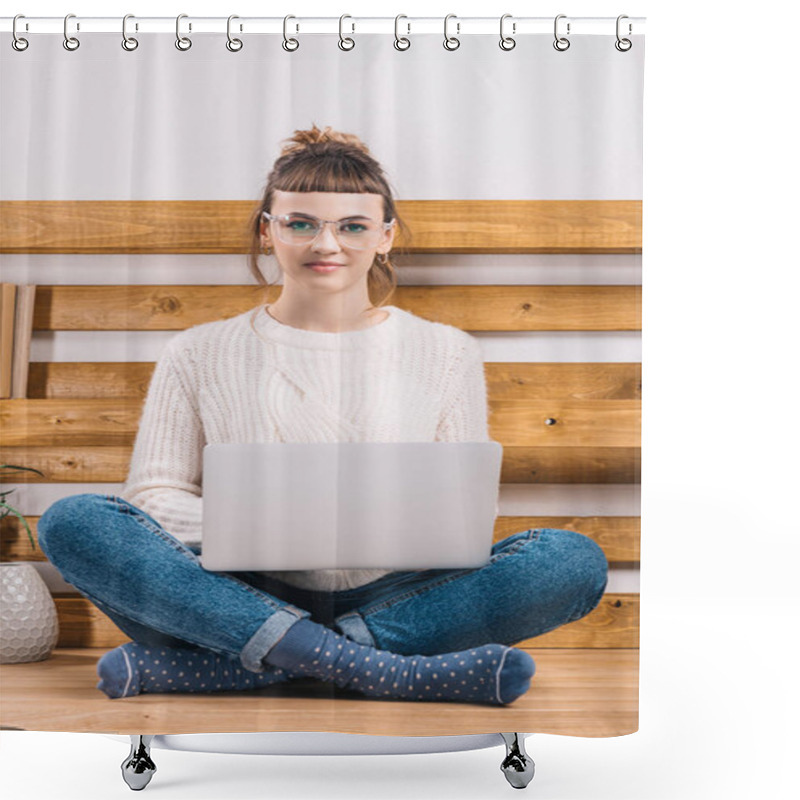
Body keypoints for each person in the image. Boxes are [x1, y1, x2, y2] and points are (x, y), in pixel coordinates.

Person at [36, 124, 608, 706]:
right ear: (268, 231)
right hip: (232, 596)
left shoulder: (446, 350)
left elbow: (465, 509)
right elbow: (154, 494)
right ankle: (375, 668)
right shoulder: (199, 351)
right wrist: (261, 530)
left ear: (385, 237)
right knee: (75, 521)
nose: (326, 245)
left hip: (399, 596)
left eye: (353, 227)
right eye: (301, 223)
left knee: (570, 562)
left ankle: (269, 663)